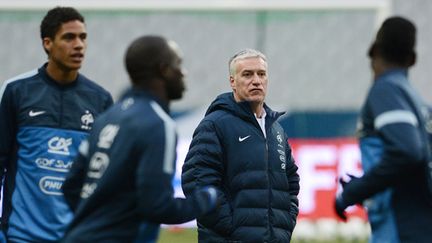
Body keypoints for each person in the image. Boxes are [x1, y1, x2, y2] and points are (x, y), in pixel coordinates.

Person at [61, 35, 218, 242]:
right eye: (178, 64)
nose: (183, 72)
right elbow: (156, 206)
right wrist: (206, 199)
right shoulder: (157, 123)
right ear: (163, 70)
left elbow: (71, 186)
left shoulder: (107, 118)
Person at [0, 6, 113, 242]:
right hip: (21, 235)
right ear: (48, 43)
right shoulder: (17, 92)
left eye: (83, 37)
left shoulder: (100, 99)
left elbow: (101, 174)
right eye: (69, 37)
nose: (79, 45)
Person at [181, 49, 300, 242]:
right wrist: (232, 229)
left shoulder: (276, 130)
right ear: (232, 82)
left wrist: (285, 224)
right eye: (247, 74)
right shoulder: (214, 125)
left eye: (261, 74)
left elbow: (291, 183)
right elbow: (197, 183)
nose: (256, 80)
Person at [334, 16, 432, 243]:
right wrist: (370, 183)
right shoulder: (420, 104)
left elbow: (406, 151)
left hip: (401, 229)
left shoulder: (385, 90)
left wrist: (354, 191)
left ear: (373, 51)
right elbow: (415, 168)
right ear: (413, 59)